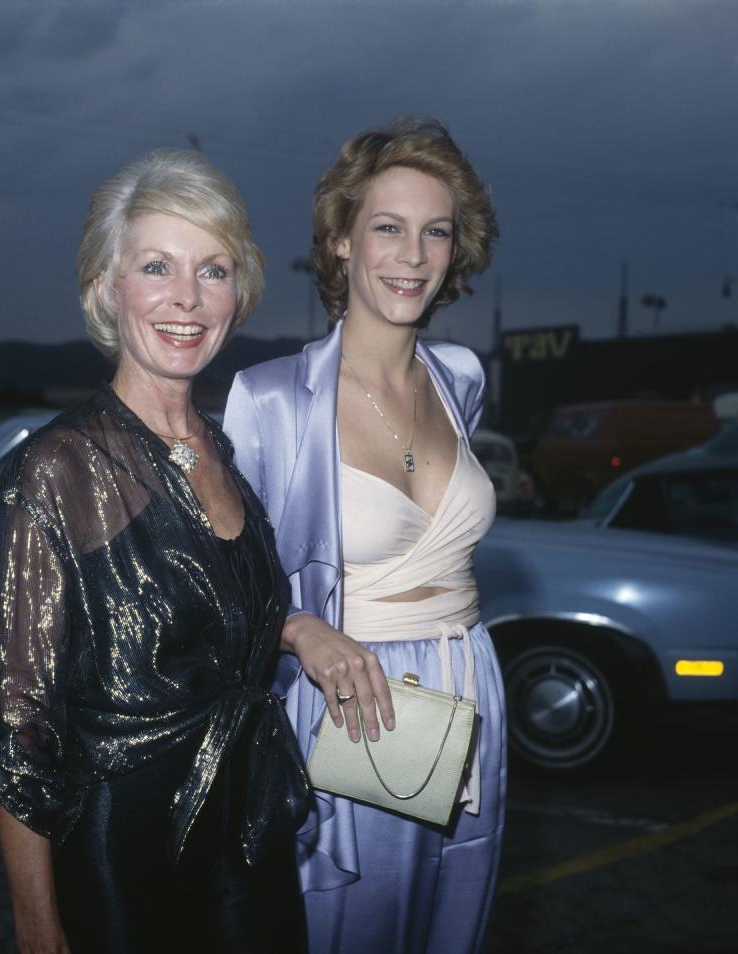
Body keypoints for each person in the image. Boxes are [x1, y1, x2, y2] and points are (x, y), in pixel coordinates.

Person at [0, 149, 311, 954]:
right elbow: (15, 725)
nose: (187, 298)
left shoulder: (219, 450)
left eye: (214, 270)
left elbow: (227, 628)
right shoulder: (59, 471)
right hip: (122, 860)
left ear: (241, 294)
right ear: (105, 288)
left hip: (247, 839)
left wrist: (299, 629)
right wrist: (36, 920)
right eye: (156, 266)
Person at [223, 117, 505, 954]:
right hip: (357, 706)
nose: (412, 256)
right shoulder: (272, 399)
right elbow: (221, 584)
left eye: (436, 232)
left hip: (471, 689)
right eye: (387, 227)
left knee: (452, 927)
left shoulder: (462, 378)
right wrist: (299, 627)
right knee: (349, 931)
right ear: (341, 240)